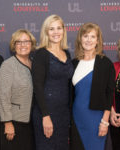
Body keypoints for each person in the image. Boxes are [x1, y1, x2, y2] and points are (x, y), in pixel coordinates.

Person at [70, 23, 115, 150]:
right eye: (85, 36)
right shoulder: (74, 63)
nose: (89, 40)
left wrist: (105, 122)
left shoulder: (105, 63)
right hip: (76, 117)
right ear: (80, 39)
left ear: (97, 41)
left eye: (92, 36)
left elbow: (109, 94)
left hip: (96, 119)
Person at [32, 14, 74, 150]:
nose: (56, 32)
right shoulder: (41, 54)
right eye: (51, 29)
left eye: (59, 28)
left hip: (63, 113)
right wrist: (45, 115)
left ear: (63, 30)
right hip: (46, 112)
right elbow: (37, 86)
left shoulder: (66, 53)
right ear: (46, 32)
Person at [0, 29, 36, 150]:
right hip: (14, 123)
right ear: (14, 45)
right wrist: (7, 122)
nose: (23, 45)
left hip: (32, 123)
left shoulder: (34, 64)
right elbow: (3, 95)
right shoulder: (8, 65)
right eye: (18, 42)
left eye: (26, 41)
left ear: (32, 44)